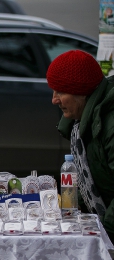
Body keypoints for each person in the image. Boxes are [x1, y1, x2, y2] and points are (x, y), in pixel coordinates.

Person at [46, 49, 114, 238]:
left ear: (81, 92)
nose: (54, 99)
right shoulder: (79, 125)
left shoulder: (109, 125)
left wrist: (105, 241)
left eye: (60, 91)